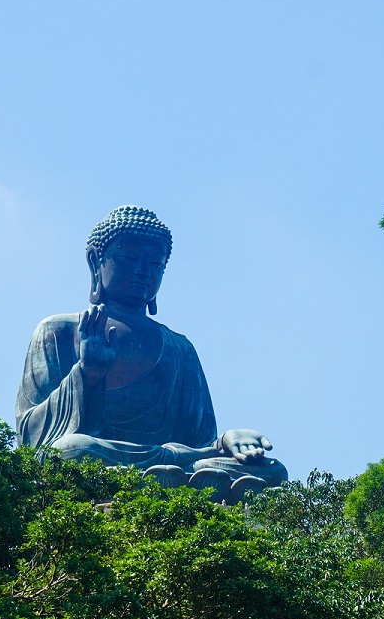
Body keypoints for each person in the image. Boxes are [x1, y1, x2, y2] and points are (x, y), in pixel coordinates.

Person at [16, 205, 287, 503]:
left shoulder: (180, 349)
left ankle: (164, 481)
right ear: (96, 261)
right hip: (96, 455)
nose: (143, 272)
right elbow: (31, 439)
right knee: (70, 452)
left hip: (179, 464)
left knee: (271, 470)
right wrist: (88, 373)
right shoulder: (58, 331)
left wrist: (225, 442)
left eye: (155, 263)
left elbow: (199, 442)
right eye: (129, 259)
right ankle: (164, 483)